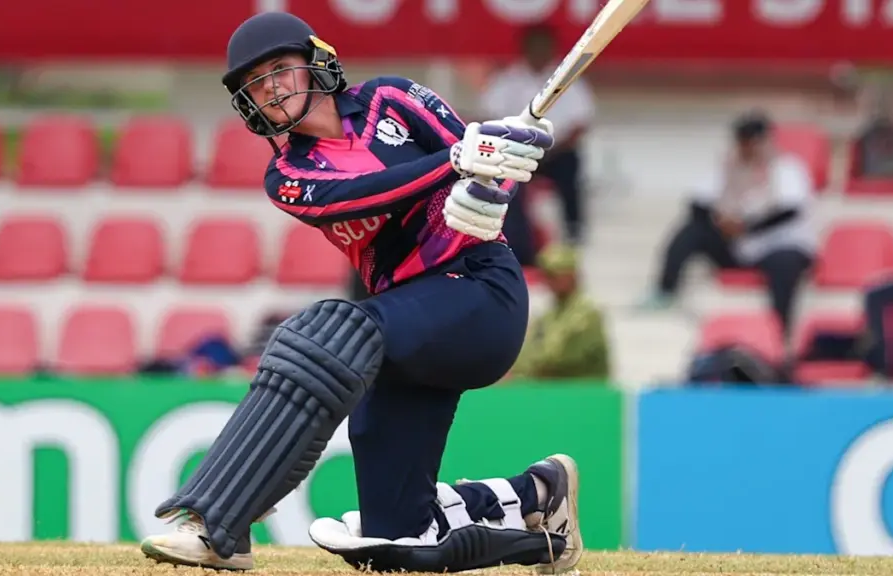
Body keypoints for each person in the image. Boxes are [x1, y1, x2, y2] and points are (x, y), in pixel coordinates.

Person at [139, 11, 582, 574]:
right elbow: (364, 194)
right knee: (396, 541)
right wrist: (453, 163)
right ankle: (539, 502)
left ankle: (220, 525)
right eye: (254, 82)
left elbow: (488, 166)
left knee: (328, 329)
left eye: (279, 68)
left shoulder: (392, 98)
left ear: (316, 62)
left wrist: (496, 181)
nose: (270, 87)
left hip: (479, 292)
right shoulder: (288, 176)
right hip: (405, 333)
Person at [637, 112, 816, 340]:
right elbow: (697, 203)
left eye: (752, 142)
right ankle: (665, 291)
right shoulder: (729, 167)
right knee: (692, 231)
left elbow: (789, 211)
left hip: (778, 246)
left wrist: (745, 227)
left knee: (785, 263)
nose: (747, 149)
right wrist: (721, 222)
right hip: (739, 246)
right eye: (743, 142)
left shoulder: (787, 168)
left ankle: (779, 334)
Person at [482, 23, 596, 247]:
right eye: (535, 47)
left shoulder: (569, 78)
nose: (539, 53)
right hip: (515, 151)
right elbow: (491, 118)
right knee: (501, 177)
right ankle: (510, 233)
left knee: (570, 166)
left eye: (544, 47)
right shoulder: (508, 80)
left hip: (556, 151)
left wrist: (552, 149)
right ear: (525, 48)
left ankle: (574, 228)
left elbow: (581, 123)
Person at [509, 244, 610, 381]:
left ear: (572, 275)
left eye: (554, 275)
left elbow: (555, 359)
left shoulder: (588, 313)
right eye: (546, 275)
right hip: (551, 389)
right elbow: (524, 354)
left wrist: (524, 368)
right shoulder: (548, 315)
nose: (549, 281)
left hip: (583, 389)